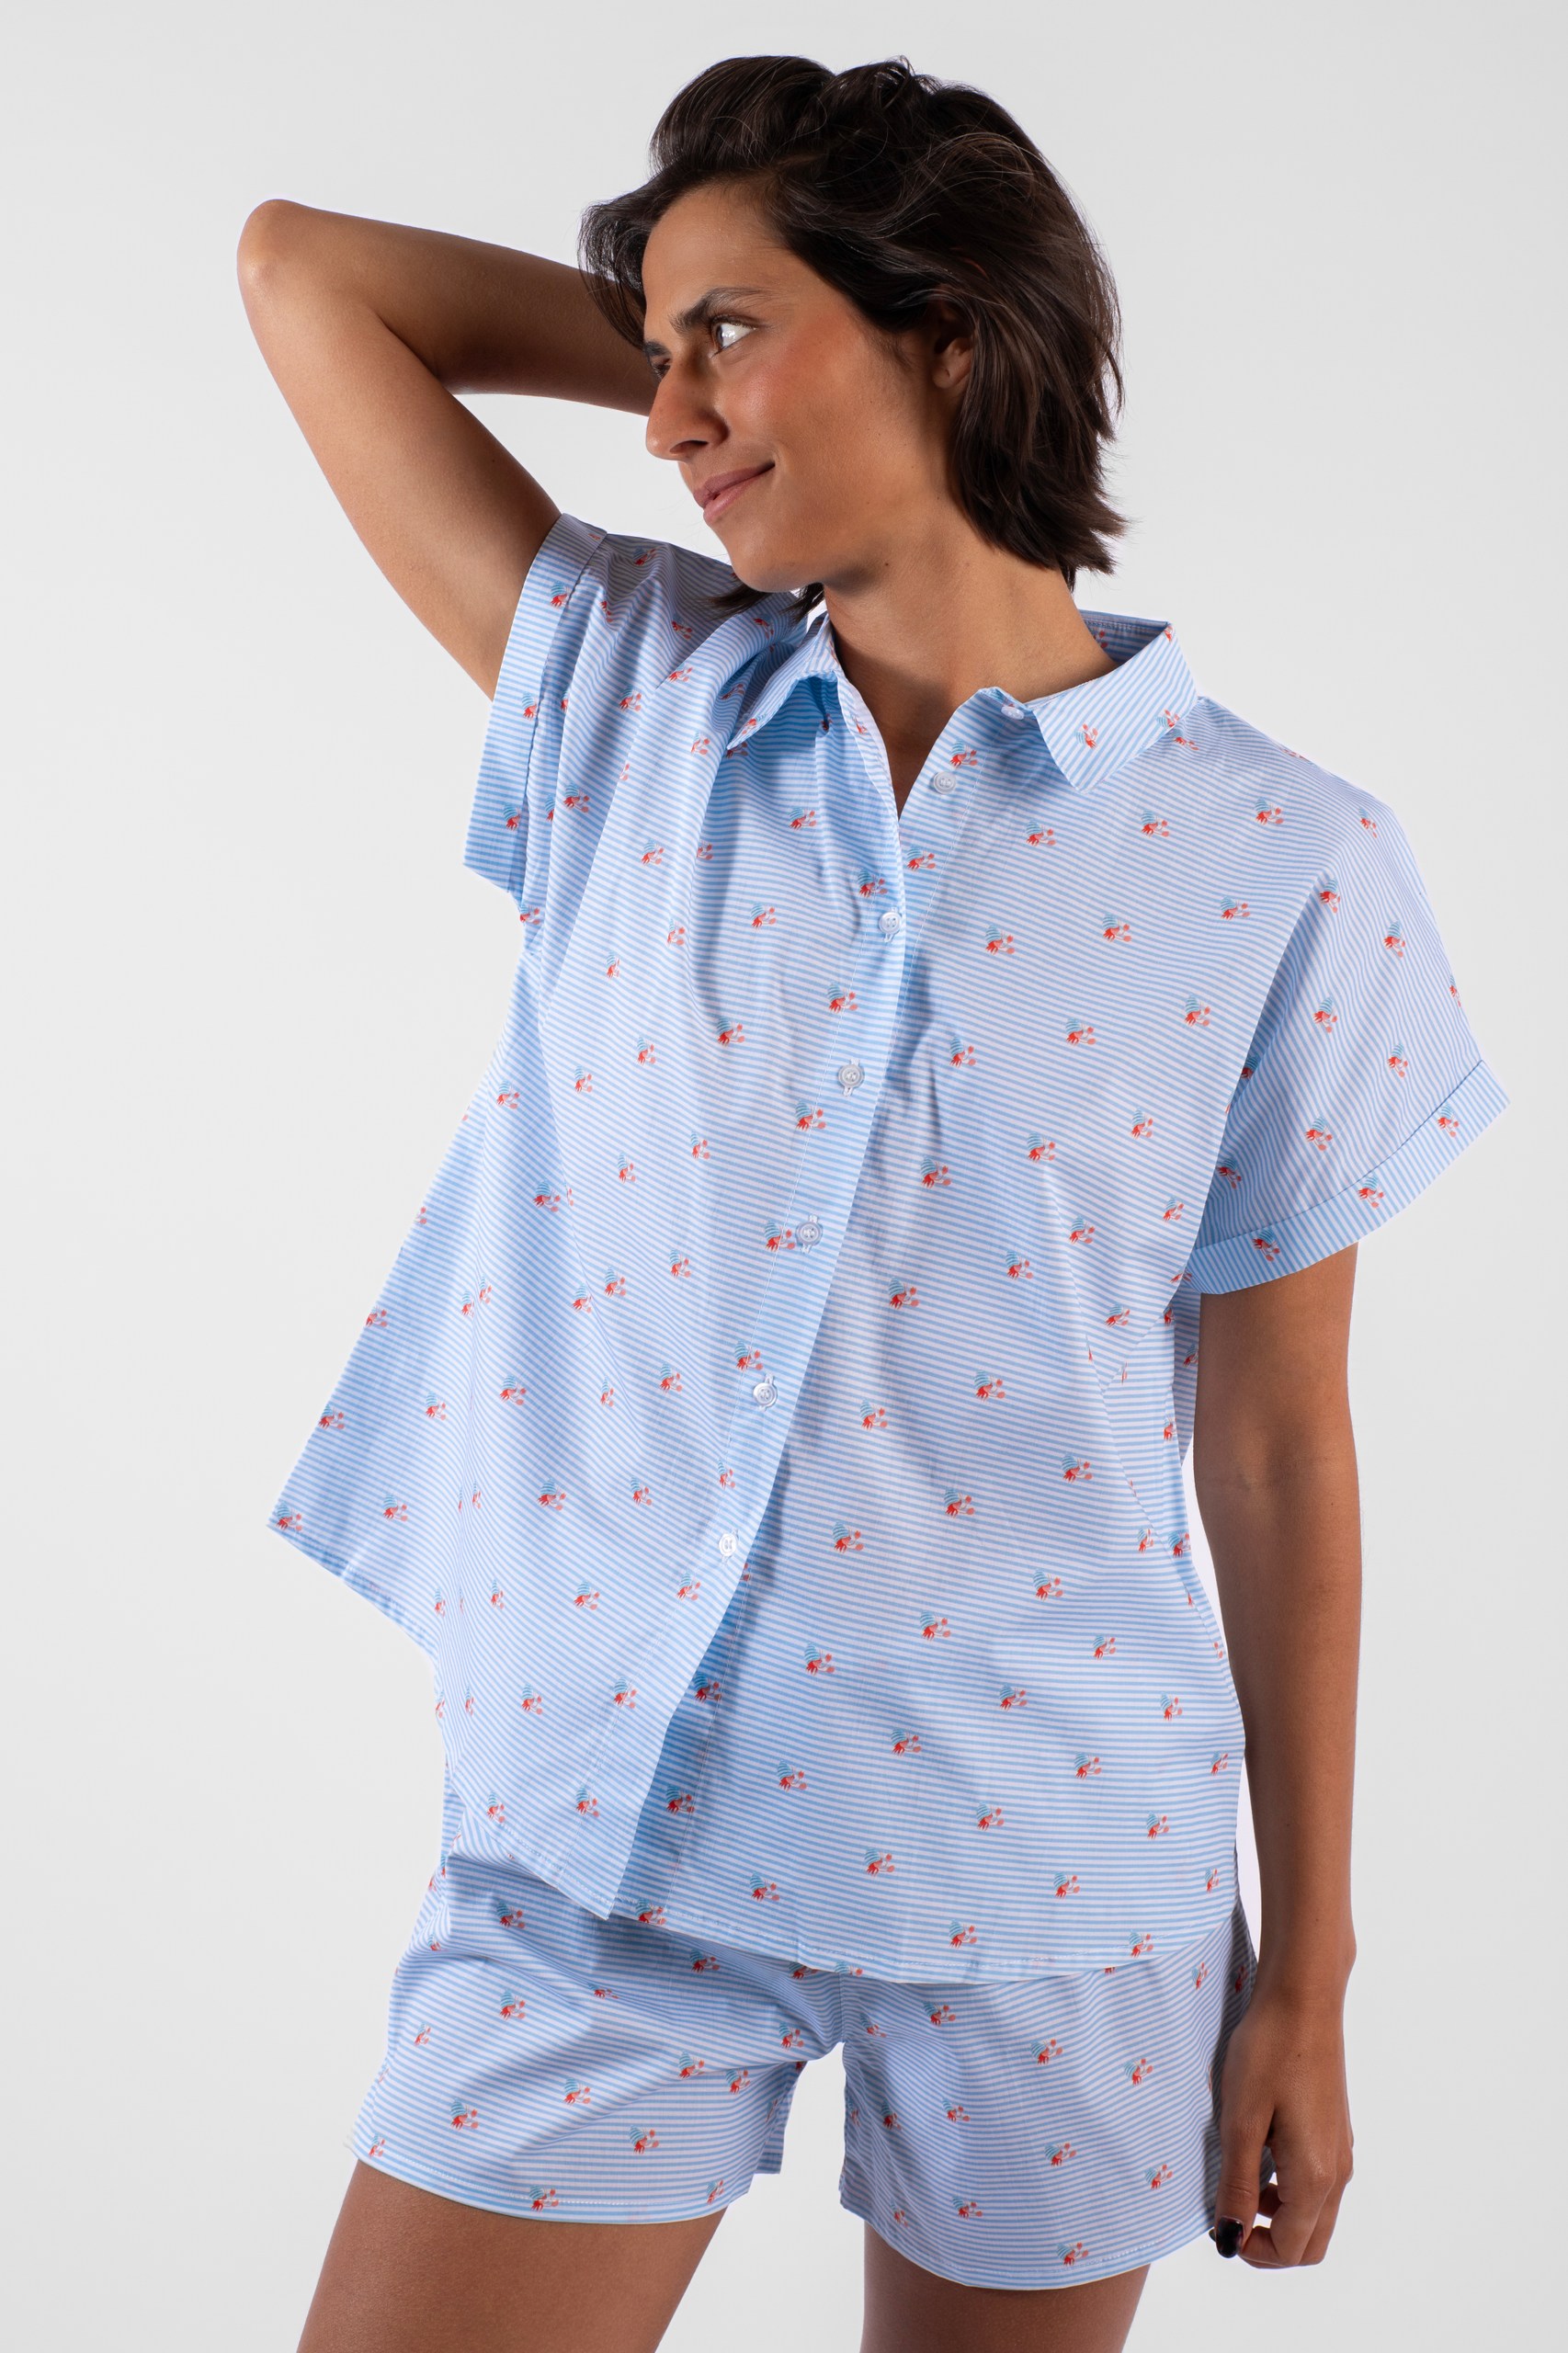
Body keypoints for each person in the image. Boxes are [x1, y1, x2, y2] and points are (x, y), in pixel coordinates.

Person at [238, 52, 1508, 2353]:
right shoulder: (627, 697)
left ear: (948, 329)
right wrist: (693, 330)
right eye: (654, 356)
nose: (663, 420)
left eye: (725, 336)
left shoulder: (1285, 859)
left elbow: (1276, 1445)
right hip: (606, 1837)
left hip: (1052, 1865)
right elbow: (303, 274)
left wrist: (1306, 1975)